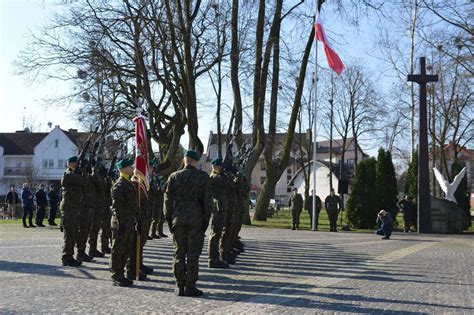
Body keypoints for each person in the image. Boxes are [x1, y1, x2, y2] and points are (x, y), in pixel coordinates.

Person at [164, 150, 213, 297]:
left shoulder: (173, 177)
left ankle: (179, 285)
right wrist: (205, 220)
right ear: (196, 161)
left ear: (185, 160)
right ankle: (190, 286)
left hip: (178, 219)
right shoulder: (203, 177)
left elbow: (167, 201)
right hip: (196, 219)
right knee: (193, 254)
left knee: (179, 252)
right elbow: (208, 201)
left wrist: (169, 219)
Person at [109, 158, 136, 287]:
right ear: (124, 169)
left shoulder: (128, 183)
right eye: (130, 167)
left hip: (128, 221)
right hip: (121, 222)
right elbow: (117, 206)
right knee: (118, 249)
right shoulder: (119, 184)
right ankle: (116, 275)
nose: (132, 169)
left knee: (126, 248)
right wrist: (121, 222)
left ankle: (121, 273)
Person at [60, 156, 87, 267]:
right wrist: (83, 172)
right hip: (68, 208)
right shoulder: (68, 174)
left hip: (74, 207)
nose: (77, 164)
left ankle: (69, 256)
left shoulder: (74, 174)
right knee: (69, 234)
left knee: (73, 233)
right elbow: (83, 181)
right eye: (75, 163)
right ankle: (67, 257)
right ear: (71, 164)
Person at [208, 158, 230, 269]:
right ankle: (213, 259)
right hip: (218, 208)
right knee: (215, 234)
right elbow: (225, 182)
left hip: (221, 207)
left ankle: (215, 258)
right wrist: (226, 172)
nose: (221, 167)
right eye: (219, 166)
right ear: (215, 166)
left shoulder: (220, 176)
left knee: (218, 233)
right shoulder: (214, 177)